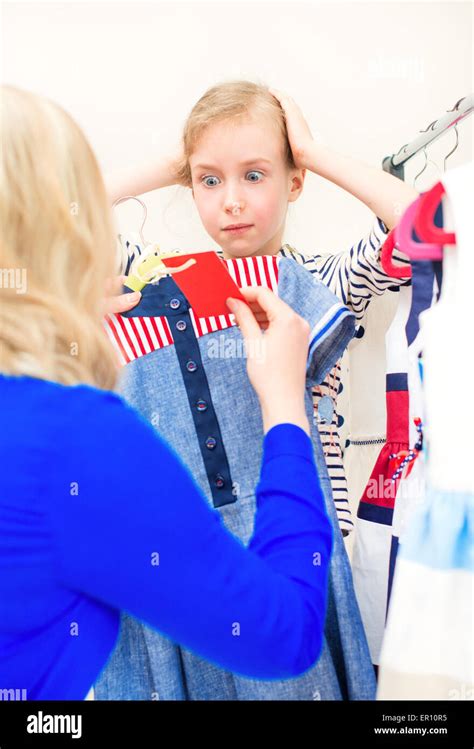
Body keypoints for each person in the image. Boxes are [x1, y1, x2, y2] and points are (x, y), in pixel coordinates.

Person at [0, 85, 333, 701]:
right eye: (206, 180)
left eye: (254, 173)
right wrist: (284, 408)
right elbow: (282, 635)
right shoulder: (76, 439)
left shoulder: (307, 279)